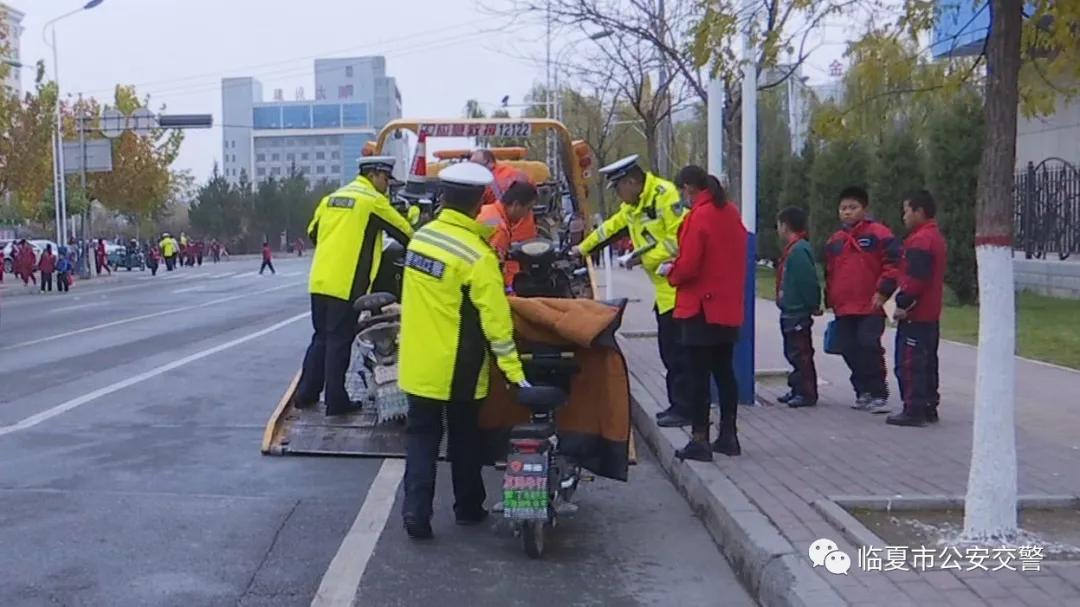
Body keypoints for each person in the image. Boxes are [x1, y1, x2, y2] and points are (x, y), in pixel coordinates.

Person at [398, 161, 527, 540]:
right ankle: (468, 507)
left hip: (418, 364)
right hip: (459, 367)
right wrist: (515, 373)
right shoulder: (477, 256)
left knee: (421, 438)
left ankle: (415, 512)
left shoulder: (420, 239)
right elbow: (497, 325)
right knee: (464, 437)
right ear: (478, 204)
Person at [573, 154, 691, 428]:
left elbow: (677, 241)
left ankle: (686, 409)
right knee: (669, 353)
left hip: (680, 291)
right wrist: (582, 248)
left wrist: (642, 259)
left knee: (680, 356)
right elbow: (610, 229)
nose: (617, 195)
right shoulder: (635, 205)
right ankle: (677, 405)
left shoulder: (664, 196)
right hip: (665, 294)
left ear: (633, 182)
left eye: (618, 188)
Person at [291, 156, 414, 417]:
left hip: (320, 280)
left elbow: (313, 232)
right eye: (385, 179)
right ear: (373, 175)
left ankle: (306, 394)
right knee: (339, 340)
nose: (386, 185)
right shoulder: (372, 201)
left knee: (321, 337)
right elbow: (407, 234)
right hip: (347, 283)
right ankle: (336, 402)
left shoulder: (332, 198)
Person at [662, 166, 747, 461]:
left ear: (688, 188)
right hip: (726, 307)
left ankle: (700, 440)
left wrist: (671, 272)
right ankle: (729, 435)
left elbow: (689, 266)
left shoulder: (698, 217)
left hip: (699, 308)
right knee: (725, 373)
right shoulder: (730, 211)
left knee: (698, 375)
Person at [823, 186, 900, 413]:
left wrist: (883, 292)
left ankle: (878, 393)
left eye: (853, 207)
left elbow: (893, 264)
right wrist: (829, 299)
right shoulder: (835, 241)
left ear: (864, 209)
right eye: (843, 208)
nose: (847, 212)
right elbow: (829, 271)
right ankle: (862, 391)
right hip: (844, 306)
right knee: (848, 348)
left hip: (871, 305)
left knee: (868, 346)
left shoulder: (879, 234)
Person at [887, 190, 947, 427]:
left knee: (909, 363)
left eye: (907, 211)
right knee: (928, 362)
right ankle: (929, 405)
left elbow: (916, 278)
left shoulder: (920, 240)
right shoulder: (936, 237)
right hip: (930, 314)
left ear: (919, 212)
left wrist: (901, 303)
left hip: (916, 314)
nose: (904, 216)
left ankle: (913, 409)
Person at [775, 207, 821, 408]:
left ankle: (807, 392)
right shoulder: (792, 249)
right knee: (792, 352)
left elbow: (808, 281)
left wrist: (812, 304)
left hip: (798, 311)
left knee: (801, 353)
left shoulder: (799, 250)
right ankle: (796, 387)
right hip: (789, 310)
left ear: (785, 226)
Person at [477, 180, 539, 290]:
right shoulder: (500, 230)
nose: (527, 214)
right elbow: (494, 267)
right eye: (528, 208)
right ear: (516, 205)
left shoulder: (486, 210)